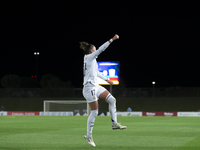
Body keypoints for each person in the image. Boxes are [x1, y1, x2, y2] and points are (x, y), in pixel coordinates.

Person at [80, 34, 127, 147]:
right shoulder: (89, 57)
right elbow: (101, 49)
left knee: (112, 100)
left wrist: (107, 80)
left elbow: (96, 73)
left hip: (95, 86)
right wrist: (113, 39)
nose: (96, 50)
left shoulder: (92, 60)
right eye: (94, 48)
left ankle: (114, 123)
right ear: (91, 50)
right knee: (95, 112)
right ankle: (88, 135)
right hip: (89, 88)